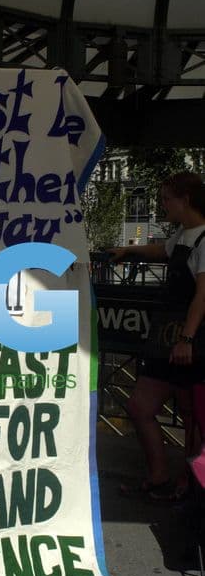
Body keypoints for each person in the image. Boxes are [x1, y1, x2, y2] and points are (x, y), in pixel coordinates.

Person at [109, 172, 205, 500]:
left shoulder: (204, 239)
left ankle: (187, 485)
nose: (162, 205)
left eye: (166, 199)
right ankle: (162, 476)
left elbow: (203, 295)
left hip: (189, 341)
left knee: (192, 416)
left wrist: (187, 339)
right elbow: (162, 251)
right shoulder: (184, 234)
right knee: (140, 406)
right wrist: (128, 251)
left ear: (185, 200)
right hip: (167, 338)